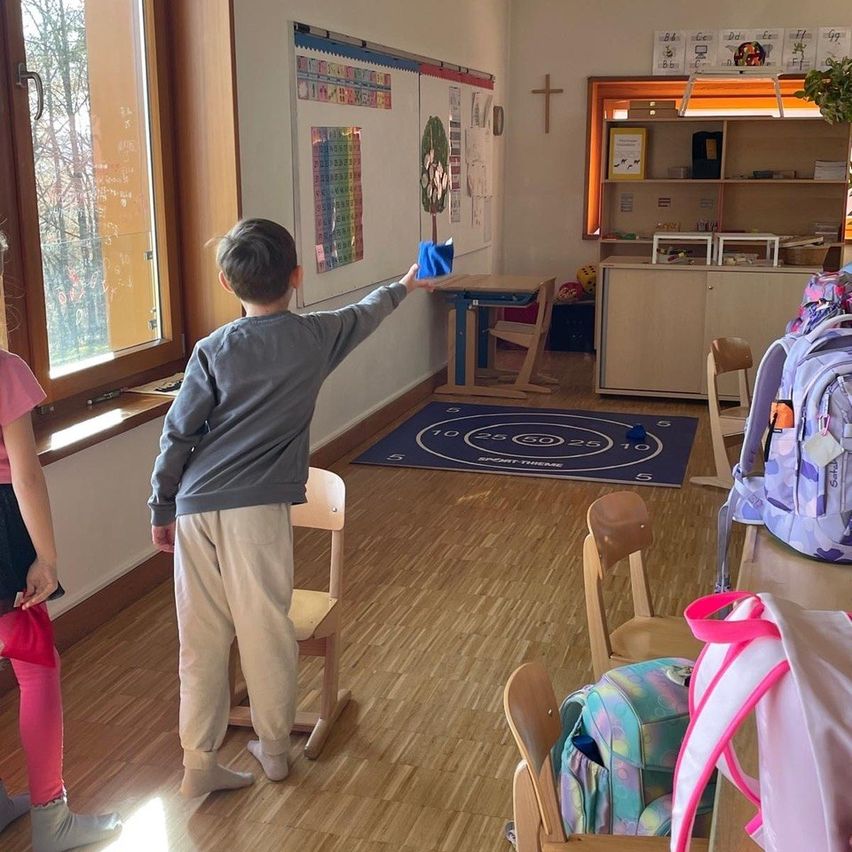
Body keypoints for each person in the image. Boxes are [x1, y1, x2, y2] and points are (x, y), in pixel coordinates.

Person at [149, 218, 431, 797]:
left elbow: (176, 435)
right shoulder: (314, 337)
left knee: (200, 639)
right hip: (256, 512)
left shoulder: (212, 349)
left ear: (228, 286)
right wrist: (407, 282)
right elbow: (367, 311)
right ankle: (274, 751)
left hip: (195, 506)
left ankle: (197, 765)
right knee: (266, 630)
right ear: (297, 278)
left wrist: (161, 507)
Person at [0, 234, 121, 851]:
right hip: (2, 542)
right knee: (35, 672)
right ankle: (51, 818)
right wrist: (46, 558)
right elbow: (25, 473)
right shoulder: (4, 369)